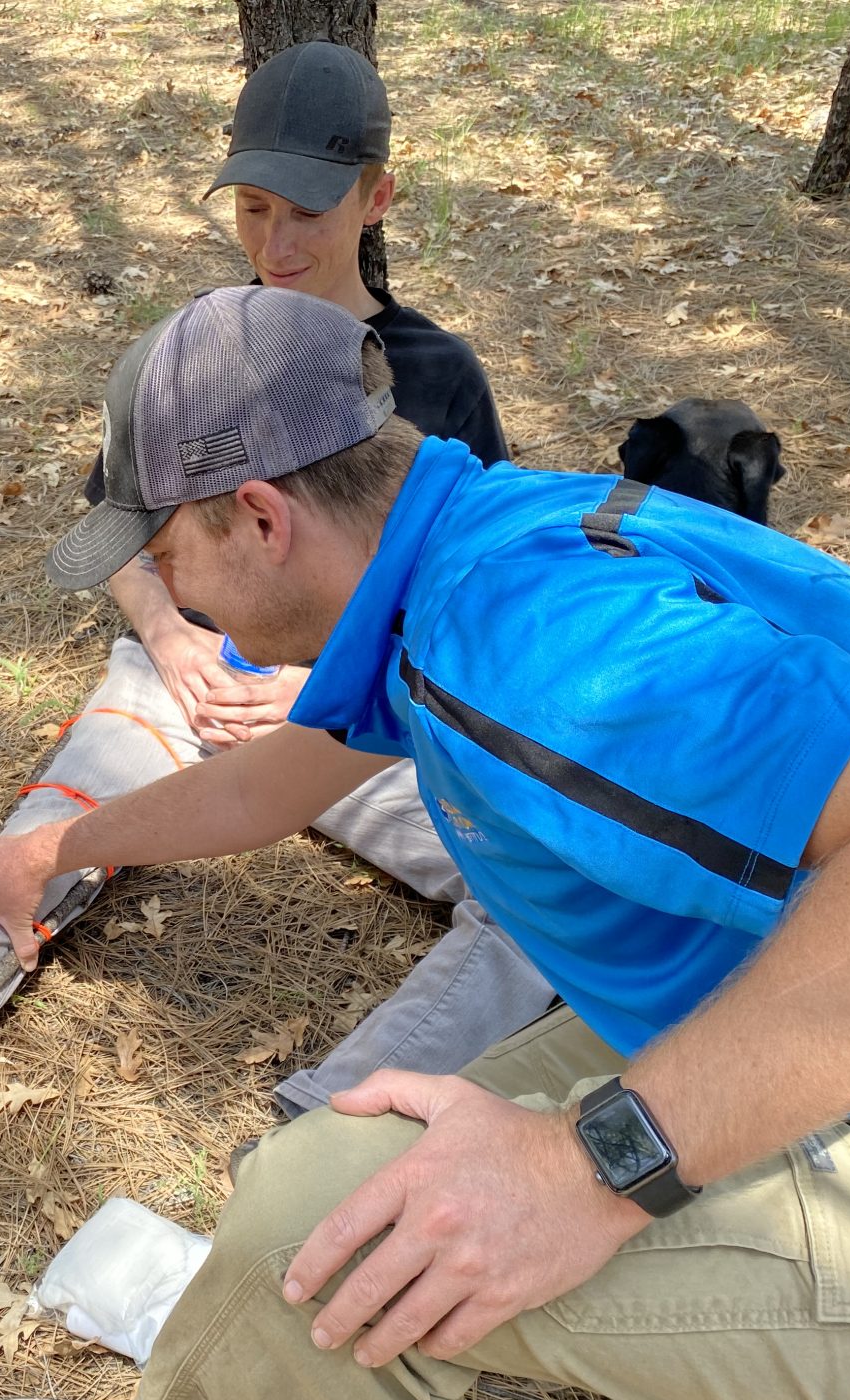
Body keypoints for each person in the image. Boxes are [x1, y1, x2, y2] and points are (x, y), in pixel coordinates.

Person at [0, 285, 850, 1400]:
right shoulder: (465, 544)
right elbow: (277, 777)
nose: (176, 597)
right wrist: (48, 847)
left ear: (258, 517)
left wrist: (597, 1168)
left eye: (165, 559)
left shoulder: (524, 645)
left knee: (314, 1222)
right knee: (358, 1171)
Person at [102, 39, 551, 1109]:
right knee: (77, 779)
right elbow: (121, 527)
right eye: (253, 208)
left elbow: (462, 597)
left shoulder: (436, 374)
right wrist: (169, 634)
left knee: (534, 895)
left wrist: (329, 688)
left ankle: (321, 1130)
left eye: (306, 209)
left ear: (377, 198)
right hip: (212, 674)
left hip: (373, 717)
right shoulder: (203, 350)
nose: (276, 239)